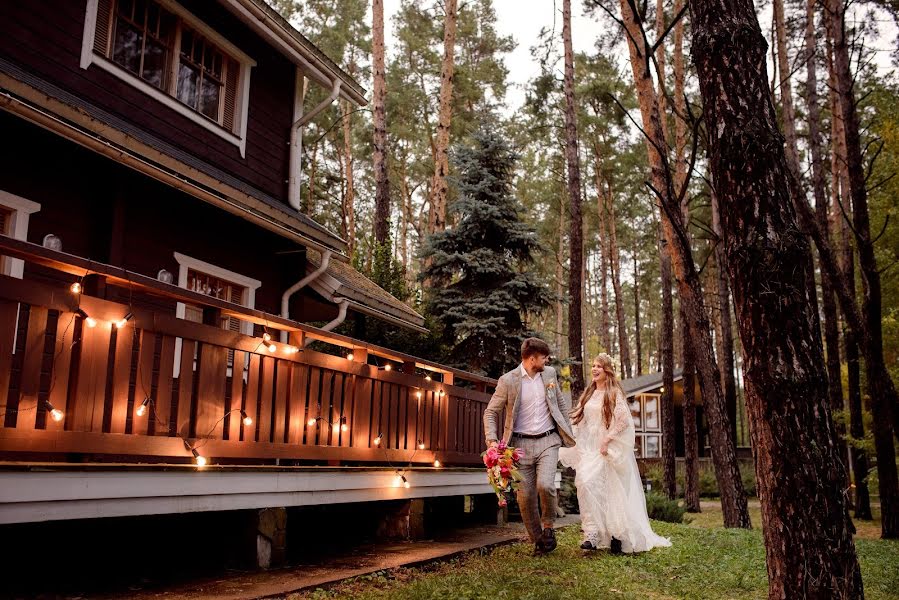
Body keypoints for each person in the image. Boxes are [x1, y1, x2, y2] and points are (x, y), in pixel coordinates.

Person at [559, 353, 671, 553]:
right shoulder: (589, 393)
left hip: (606, 448)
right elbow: (579, 418)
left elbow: (623, 421)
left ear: (607, 370)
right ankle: (591, 534)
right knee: (584, 484)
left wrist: (607, 440)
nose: (594, 369)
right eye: (593, 365)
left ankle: (617, 535)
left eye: (599, 366)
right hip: (589, 448)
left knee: (610, 491)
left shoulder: (613, 393)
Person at [483, 338, 576, 555]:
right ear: (532, 358)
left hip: (548, 440)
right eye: (543, 357)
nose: (547, 360)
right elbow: (490, 412)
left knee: (545, 485)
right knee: (524, 498)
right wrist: (492, 440)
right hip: (519, 446)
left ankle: (549, 527)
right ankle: (539, 541)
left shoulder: (550, 374)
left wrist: (566, 429)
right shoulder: (508, 381)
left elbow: (560, 403)